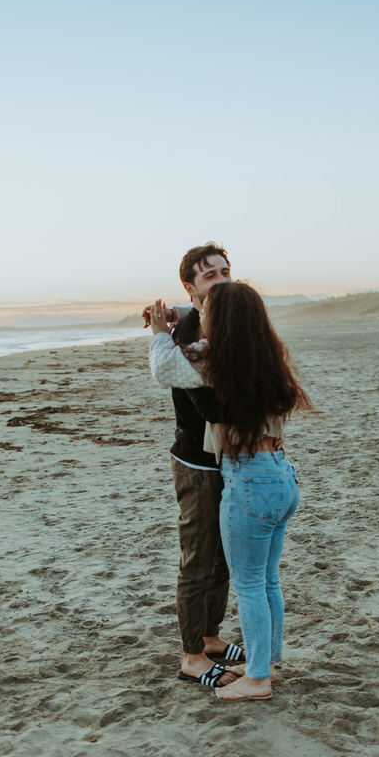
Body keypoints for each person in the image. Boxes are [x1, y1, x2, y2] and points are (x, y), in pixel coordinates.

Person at [149, 281, 314, 701]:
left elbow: (166, 368)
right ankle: (268, 662)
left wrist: (160, 334)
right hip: (281, 475)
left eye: (204, 312)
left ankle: (257, 678)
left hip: (249, 481)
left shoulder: (219, 368)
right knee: (268, 580)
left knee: (250, 585)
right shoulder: (266, 360)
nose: (199, 316)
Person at [143, 243, 243, 690]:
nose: (221, 280)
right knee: (197, 560)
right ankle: (191, 657)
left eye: (225, 271)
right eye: (209, 276)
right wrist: (164, 327)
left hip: (230, 458)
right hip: (197, 462)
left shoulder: (230, 317)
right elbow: (196, 393)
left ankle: (212, 637)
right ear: (191, 285)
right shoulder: (183, 329)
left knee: (223, 559)